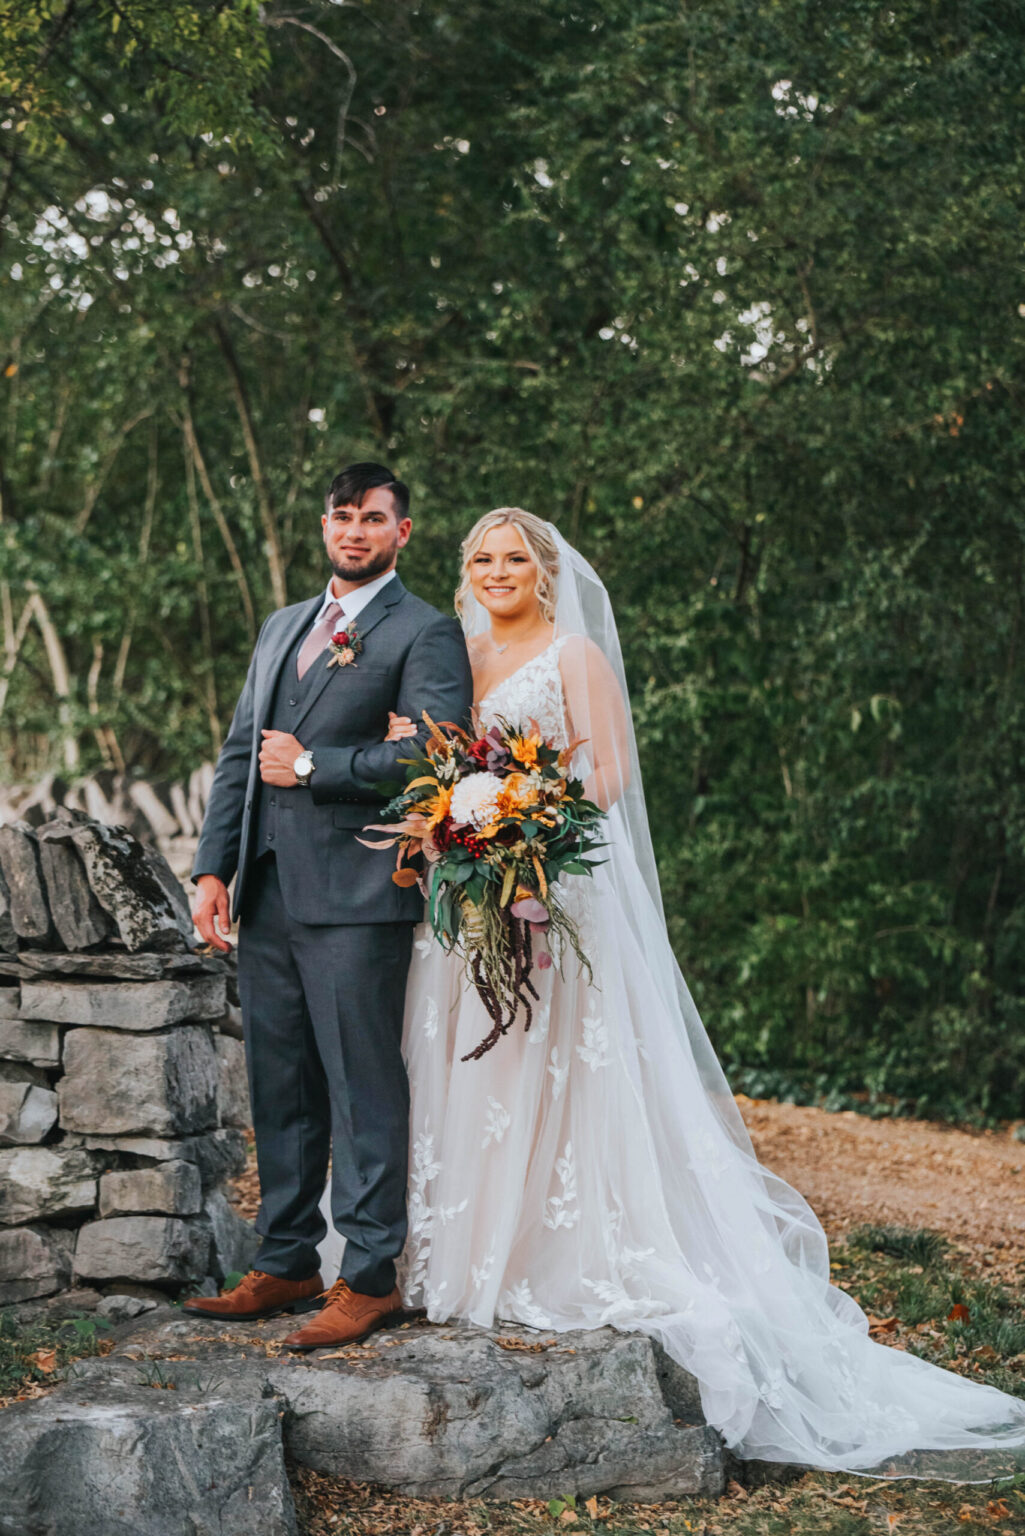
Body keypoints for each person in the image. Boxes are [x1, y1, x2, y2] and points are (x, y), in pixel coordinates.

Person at [316, 506, 1025, 1481]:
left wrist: (521, 821)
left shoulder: (572, 658)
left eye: (512, 557)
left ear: (546, 570)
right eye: (480, 557)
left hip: (552, 885)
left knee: (553, 1063)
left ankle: (541, 1255)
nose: (494, 570)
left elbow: (605, 772)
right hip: (463, 895)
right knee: (460, 1054)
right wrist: (451, 827)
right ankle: (446, 1257)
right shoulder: (454, 657)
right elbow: (430, 764)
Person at [185, 462, 473, 1351]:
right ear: (323, 525)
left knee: (360, 1088)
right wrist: (211, 869)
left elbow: (438, 755)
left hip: (356, 895)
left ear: (402, 532)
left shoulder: (424, 631)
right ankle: (286, 1260)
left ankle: (370, 1277)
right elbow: (242, 754)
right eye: (343, 517)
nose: (355, 531)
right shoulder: (283, 627)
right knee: (282, 1086)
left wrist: (316, 766)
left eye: (374, 519)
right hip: (265, 890)